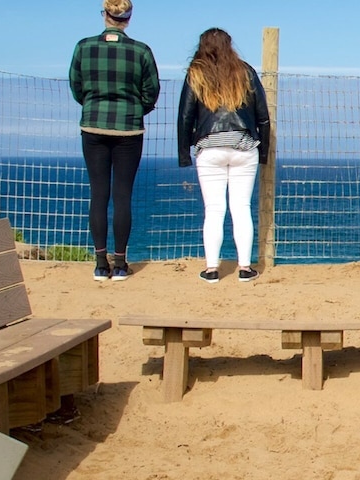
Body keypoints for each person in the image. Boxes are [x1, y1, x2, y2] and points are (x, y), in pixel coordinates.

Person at [68, 0, 159, 281]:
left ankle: (99, 263)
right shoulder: (141, 51)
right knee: (122, 196)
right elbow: (151, 91)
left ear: (105, 15)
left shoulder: (84, 47)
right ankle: (120, 263)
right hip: (128, 129)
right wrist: (134, 109)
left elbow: (76, 85)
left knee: (98, 194)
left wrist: (93, 105)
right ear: (128, 19)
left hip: (93, 126)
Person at [176, 27, 272, 283]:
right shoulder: (245, 72)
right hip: (243, 146)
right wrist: (263, 152)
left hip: (209, 148)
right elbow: (263, 116)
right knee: (241, 208)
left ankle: (211, 269)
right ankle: (244, 268)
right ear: (230, 46)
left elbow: (185, 117)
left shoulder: (195, 74)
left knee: (215, 210)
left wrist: (184, 153)